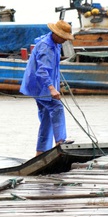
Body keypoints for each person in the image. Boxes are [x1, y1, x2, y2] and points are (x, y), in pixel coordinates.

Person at [20, 20, 74, 155]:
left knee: (47, 118)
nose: (64, 40)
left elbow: (53, 67)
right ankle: (61, 141)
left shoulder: (54, 43)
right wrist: (51, 88)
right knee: (57, 108)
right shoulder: (47, 47)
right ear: (56, 34)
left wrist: (57, 84)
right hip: (40, 86)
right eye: (63, 37)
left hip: (40, 85)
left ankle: (41, 152)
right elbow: (42, 71)